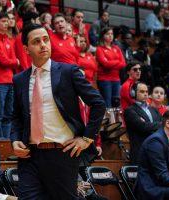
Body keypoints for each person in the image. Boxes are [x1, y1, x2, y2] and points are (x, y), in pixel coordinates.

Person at [11, 23, 106, 199]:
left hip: (62, 153)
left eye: (46, 39)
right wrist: (15, 139)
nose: (43, 44)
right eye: (36, 41)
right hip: (30, 155)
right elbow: (16, 116)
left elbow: (98, 103)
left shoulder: (68, 71)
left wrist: (87, 138)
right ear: (26, 49)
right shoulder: (19, 79)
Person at [124, 82, 162, 164]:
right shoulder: (130, 110)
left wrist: (149, 126)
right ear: (133, 93)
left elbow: (163, 126)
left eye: (146, 92)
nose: (145, 94)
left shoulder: (154, 109)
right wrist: (158, 125)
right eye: (142, 91)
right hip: (140, 152)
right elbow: (142, 127)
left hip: (156, 150)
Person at [96, 27, 126, 108]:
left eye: (111, 34)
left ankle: (115, 121)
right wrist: (117, 62)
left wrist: (111, 63)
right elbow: (105, 64)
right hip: (104, 80)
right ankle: (109, 120)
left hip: (116, 79)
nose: (110, 36)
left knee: (116, 103)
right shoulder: (99, 49)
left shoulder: (116, 48)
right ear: (103, 36)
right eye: (107, 34)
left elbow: (123, 63)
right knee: (107, 102)